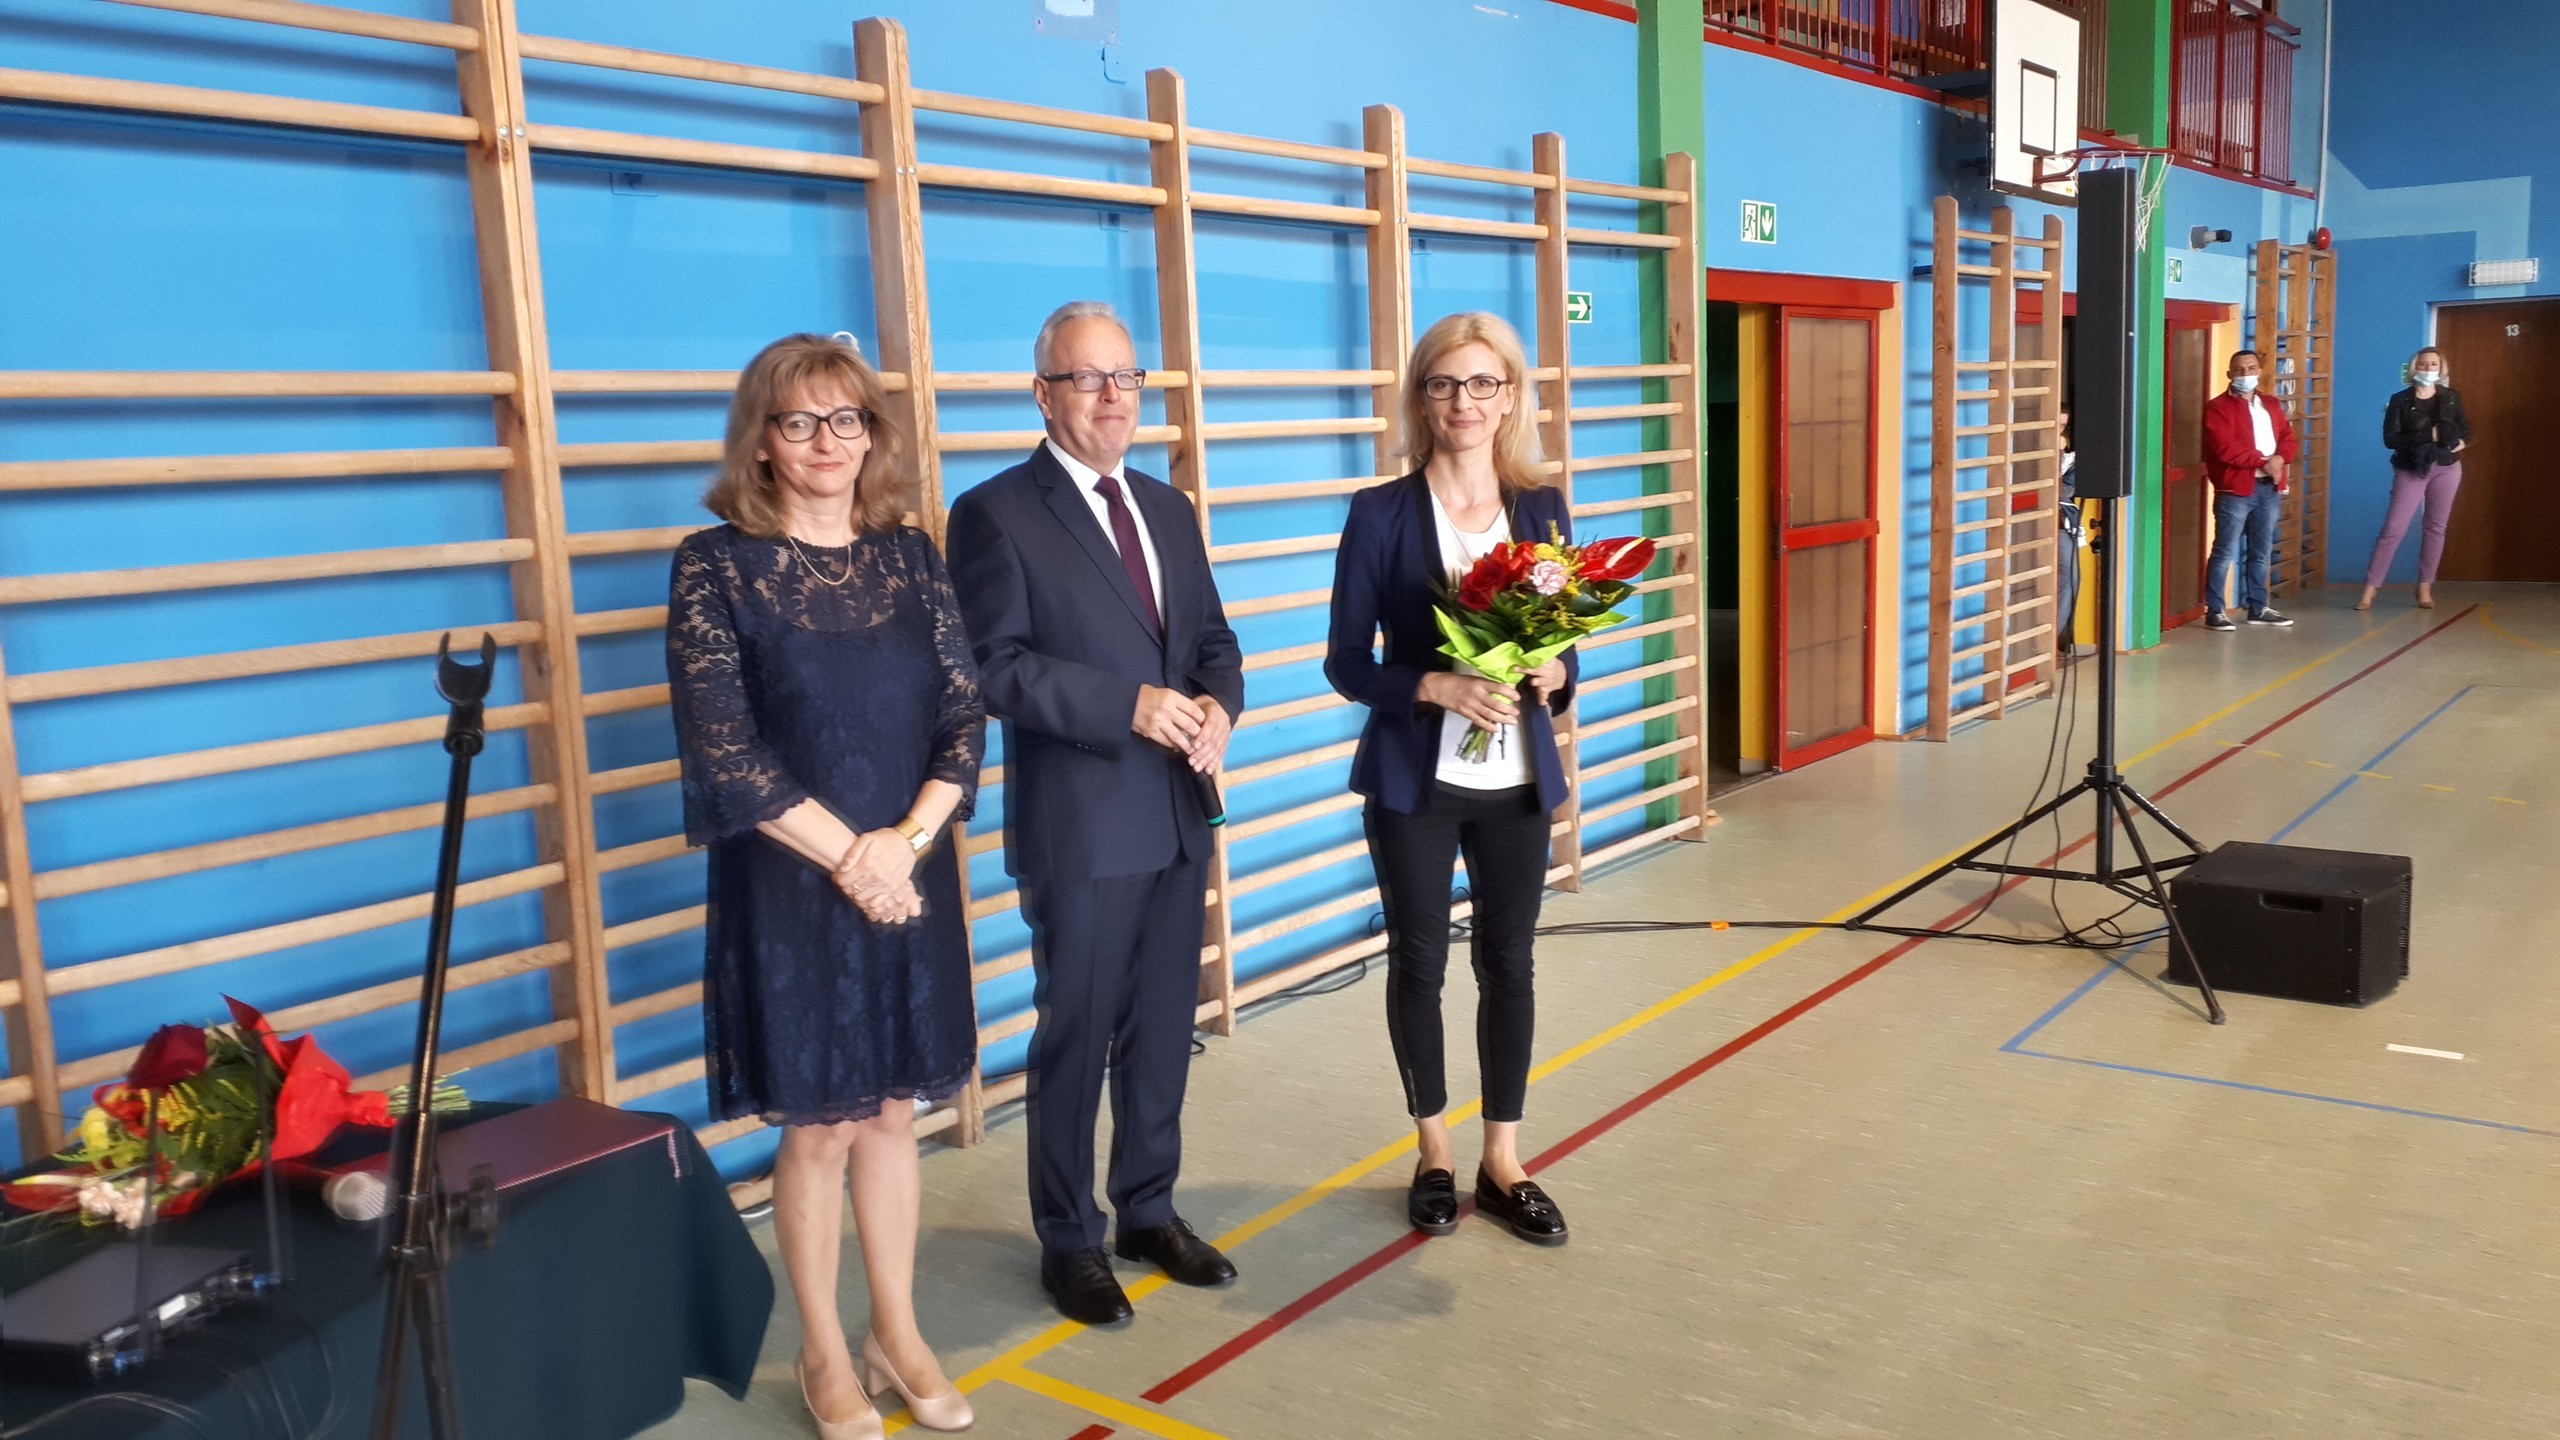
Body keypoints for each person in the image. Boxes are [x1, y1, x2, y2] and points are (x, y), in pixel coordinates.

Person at [666, 334, 983, 1438]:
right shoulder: (714, 566)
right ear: (761, 441)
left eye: (846, 419)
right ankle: (822, 1350)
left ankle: (897, 1331)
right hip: (794, 890)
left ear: (870, 435)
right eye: (798, 422)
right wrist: (857, 859)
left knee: (893, 1115)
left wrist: (905, 843)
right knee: (820, 1132)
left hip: (908, 874)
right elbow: (726, 751)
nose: (826, 442)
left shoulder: (912, 556)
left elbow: (962, 716)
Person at [943, 301, 1246, 1326]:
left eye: (1126, 377)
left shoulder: (1167, 507)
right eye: (1086, 378)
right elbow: (992, 666)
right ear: (1043, 395)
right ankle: (1068, 1236)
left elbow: (1212, 642)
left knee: (1162, 1028)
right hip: (1080, 824)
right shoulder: (994, 513)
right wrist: (1128, 706)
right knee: (1076, 1036)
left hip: (1177, 812)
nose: (1112, 396)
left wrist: (1219, 708)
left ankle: (1148, 1210)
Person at [1323, 312, 1576, 1247]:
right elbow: (1347, 662)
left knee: (1510, 964)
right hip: (1415, 785)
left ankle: (1502, 1161)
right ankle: (1434, 1150)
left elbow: (1564, 650)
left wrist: (1556, 674)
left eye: (1481, 383)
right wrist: (1434, 685)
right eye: (1443, 384)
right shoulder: (1380, 512)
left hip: (1517, 785)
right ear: (1421, 400)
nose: (1463, 401)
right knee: (1420, 965)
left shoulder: (1542, 508)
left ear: (1509, 397)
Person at [2357, 346, 2470, 612]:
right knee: (2393, 530)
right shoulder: (2400, 400)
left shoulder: (2451, 398)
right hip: (2411, 468)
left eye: (2433, 364)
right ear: (2414, 368)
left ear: (2440, 369)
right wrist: (2428, 436)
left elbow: (2466, 429)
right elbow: (2391, 440)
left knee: (2435, 528)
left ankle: (2424, 588)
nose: (2428, 369)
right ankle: (2370, 590)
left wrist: (2463, 442)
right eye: (2423, 364)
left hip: (2446, 467)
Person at [2199, 349, 2298, 632]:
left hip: (2269, 489)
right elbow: (2225, 448)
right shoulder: (2217, 408)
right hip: (2235, 490)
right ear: (2230, 374)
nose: (2246, 374)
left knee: (2261, 551)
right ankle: (2215, 611)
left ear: (2259, 371)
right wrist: (2263, 461)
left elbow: (2287, 437)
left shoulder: (2271, 404)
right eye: (2240, 370)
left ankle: (2258, 607)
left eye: (2251, 368)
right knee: (2224, 551)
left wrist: (2280, 459)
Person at [2055, 403, 2082, 657]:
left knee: (2071, 576)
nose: (2059, 431)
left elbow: (2068, 490)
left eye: (2063, 426)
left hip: (2062, 522)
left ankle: (2054, 634)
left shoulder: (2068, 455)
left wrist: (2062, 456)